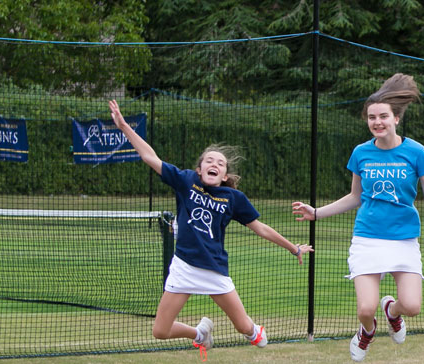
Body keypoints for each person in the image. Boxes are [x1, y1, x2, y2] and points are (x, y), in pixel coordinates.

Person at [108, 100, 312, 361]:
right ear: (200, 168)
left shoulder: (233, 197)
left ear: (225, 174)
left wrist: (293, 247)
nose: (214, 164)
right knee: (160, 330)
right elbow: (150, 157)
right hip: (184, 266)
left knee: (248, 332)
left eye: (221, 163)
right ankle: (199, 333)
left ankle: (253, 329)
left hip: (214, 269)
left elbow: (260, 228)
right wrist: (125, 127)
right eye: (209, 160)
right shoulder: (186, 181)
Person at [290, 73, 424, 362]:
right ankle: (367, 332)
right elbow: (355, 197)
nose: (377, 122)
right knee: (365, 309)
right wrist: (316, 213)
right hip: (367, 238)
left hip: (403, 239)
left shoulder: (416, 152)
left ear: (396, 119)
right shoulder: (361, 153)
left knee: (412, 306)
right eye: (371, 117)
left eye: (383, 116)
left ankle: (392, 311)